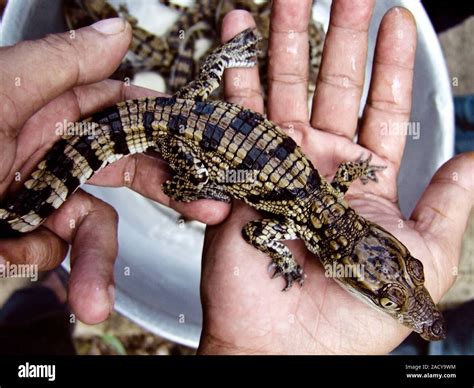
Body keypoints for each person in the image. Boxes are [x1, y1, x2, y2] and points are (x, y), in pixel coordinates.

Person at [0, 0, 472, 355]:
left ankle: (220, 63)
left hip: (190, 112)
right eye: (394, 294)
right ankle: (182, 176)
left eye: (398, 289)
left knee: (197, 122)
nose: (417, 311)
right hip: (177, 132)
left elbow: (342, 174)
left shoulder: (333, 196)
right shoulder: (297, 225)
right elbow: (255, 230)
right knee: (197, 182)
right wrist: (285, 260)